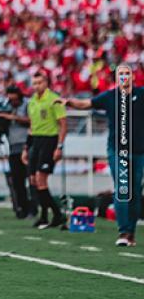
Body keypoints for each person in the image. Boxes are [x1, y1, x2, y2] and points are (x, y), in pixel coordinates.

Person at [58, 65, 143, 246]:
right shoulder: (109, 96)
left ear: (132, 77)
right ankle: (122, 232)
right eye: (121, 74)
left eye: (127, 73)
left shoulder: (141, 94)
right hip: (117, 149)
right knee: (122, 187)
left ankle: (131, 232)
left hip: (138, 151)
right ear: (116, 77)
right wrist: (69, 102)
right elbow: (87, 103)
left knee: (135, 191)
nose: (124, 76)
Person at [22, 71, 68, 229]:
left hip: (50, 140)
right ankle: (50, 215)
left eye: (39, 83)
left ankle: (54, 214)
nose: (36, 86)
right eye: (34, 83)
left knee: (41, 180)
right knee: (33, 180)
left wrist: (59, 147)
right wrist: (26, 148)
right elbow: (31, 126)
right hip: (36, 140)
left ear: (46, 83)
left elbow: (63, 125)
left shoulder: (54, 99)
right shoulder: (32, 101)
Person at [0, 86, 33, 218]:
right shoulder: (7, 106)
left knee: (32, 179)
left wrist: (12, 116)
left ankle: (33, 209)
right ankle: (22, 208)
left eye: (15, 100)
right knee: (17, 181)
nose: (13, 102)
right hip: (12, 147)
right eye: (10, 100)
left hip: (27, 145)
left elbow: (31, 121)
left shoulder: (28, 104)